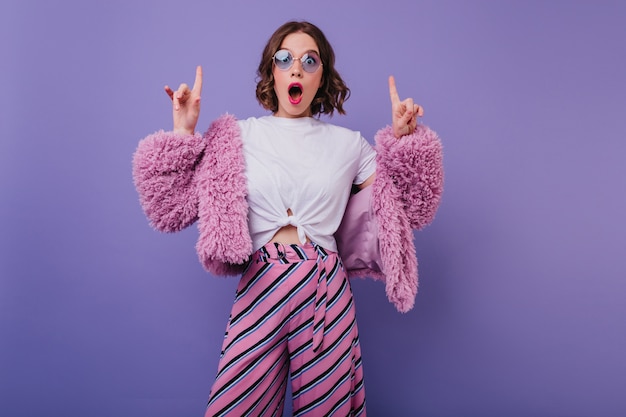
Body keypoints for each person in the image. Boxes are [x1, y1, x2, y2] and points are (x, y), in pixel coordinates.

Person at [133, 20, 443, 417]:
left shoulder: (350, 146)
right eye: (285, 59)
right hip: (261, 280)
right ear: (273, 73)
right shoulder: (237, 136)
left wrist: (405, 141)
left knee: (327, 408)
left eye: (309, 61)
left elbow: (409, 208)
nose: (296, 68)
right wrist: (183, 133)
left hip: (324, 289)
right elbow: (167, 209)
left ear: (321, 78)